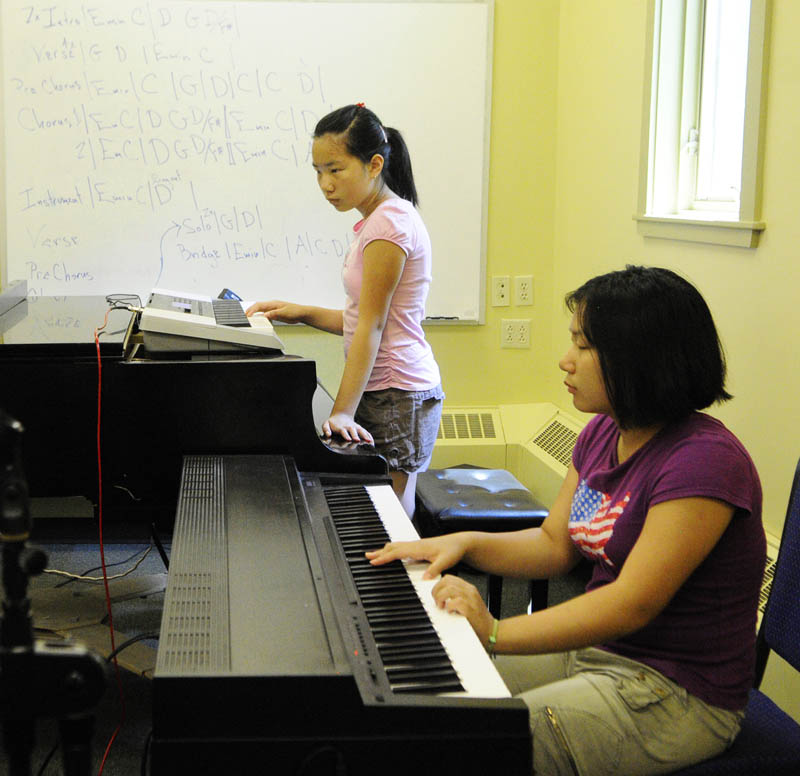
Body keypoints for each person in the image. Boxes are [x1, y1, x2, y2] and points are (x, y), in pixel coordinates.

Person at [367, 265, 765, 775]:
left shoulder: (705, 461)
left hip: (677, 692)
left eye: (582, 345)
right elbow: (555, 545)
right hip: (599, 655)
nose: (565, 360)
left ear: (638, 357)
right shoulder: (602, 433)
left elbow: (633, 603)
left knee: (474, 743)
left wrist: (495, 633)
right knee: (432, 697)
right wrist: (462, 543)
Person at [246, 104, 444, 516]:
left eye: (335, 170)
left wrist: (342, 411)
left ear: (374, 164)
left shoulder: (389, 226)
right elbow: (360, 319)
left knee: (390, 516)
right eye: (318, 171)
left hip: (398, 390)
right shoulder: (379, 221)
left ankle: (402, 582)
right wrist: (299, 312)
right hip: (389, 387)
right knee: (381, 514)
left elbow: (372, 327)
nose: (325, 184)